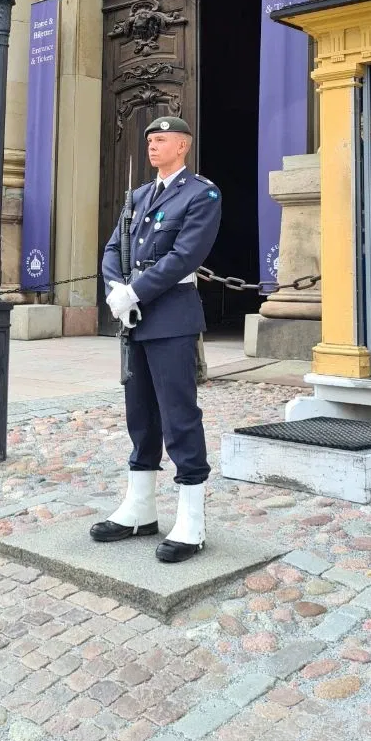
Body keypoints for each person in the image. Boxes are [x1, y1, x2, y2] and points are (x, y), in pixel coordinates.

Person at [90, 116, 222, 563]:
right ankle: (140, 508)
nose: (152, 145)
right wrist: (115, 290)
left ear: (182, 145)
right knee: (140, 414)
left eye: (161, 139)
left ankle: (191, 519)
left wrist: (136, 290)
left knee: (179, 415)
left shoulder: (201, 194)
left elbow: (186, 254)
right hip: (134, 320)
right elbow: (113, 247)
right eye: (149, 139)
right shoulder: (140, 196)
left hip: (171, 318)